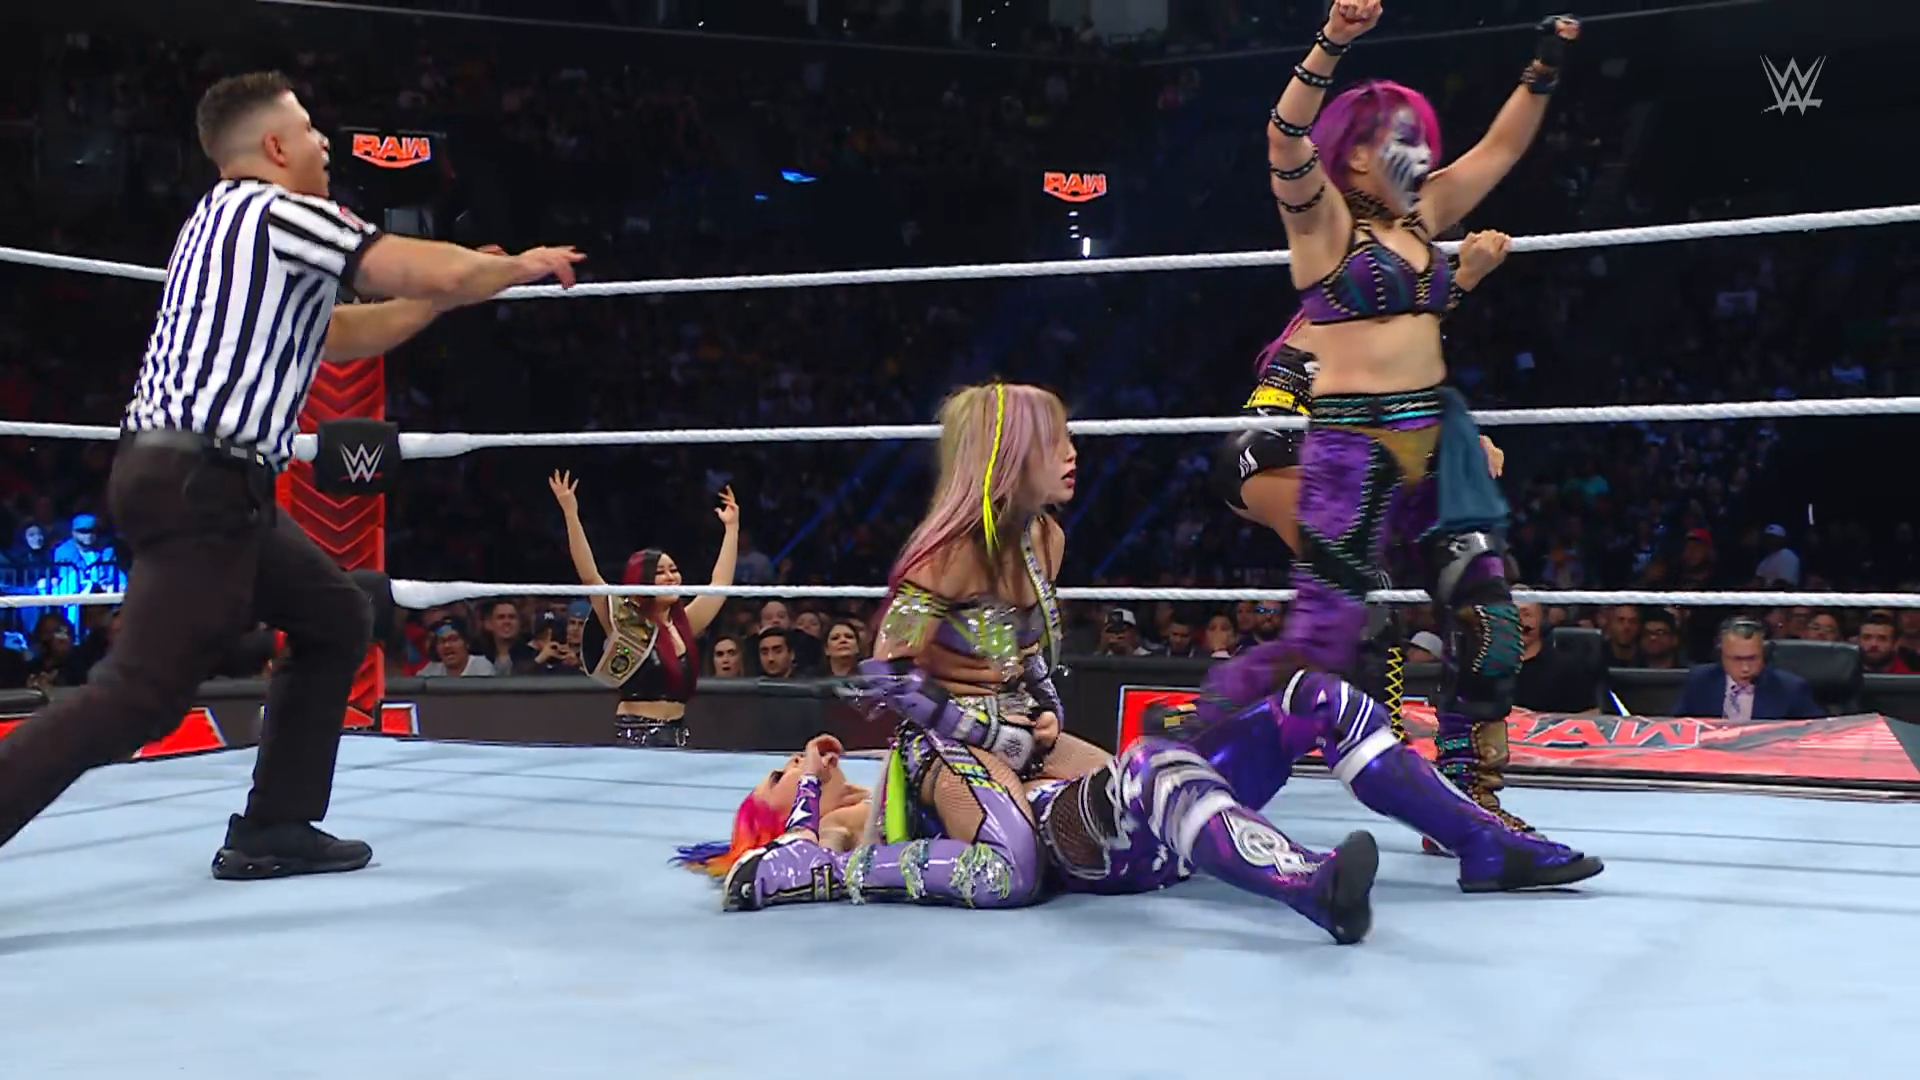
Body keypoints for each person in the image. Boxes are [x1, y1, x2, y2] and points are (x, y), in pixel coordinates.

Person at [0, 70, 583, 873]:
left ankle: (275, 824)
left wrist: (449, 295)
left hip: (205, 482)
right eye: (309, 129)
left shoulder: (218, 221)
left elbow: (340, 336)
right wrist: (518, 265)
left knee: (335, 615)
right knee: (139, 696)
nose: (323, 144)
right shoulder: (283, 213)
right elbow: (421, 268)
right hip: (202, 483)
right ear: (275, 146)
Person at [689, 383, 1381, 944]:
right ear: (1012, 455)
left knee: (1147, 791)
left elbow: (1022, 652)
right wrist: (992, 733)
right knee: (1010, 869)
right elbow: (886, 675)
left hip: (1019, 730)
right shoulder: (948, 552)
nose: (1073, 454)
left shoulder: (1046, 538)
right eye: (1056, 443)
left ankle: (1305, 875)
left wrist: (1043, 710)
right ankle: (816, 871)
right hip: (942, 741)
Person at [1171, 0, 1601, 891]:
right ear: (1358, 153)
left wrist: (1546, 61)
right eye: (1401, 136)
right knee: (1329, 646)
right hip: (1332, 444)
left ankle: (1475, 811)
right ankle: (1193, 765)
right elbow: (1284, 135)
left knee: (1489, 618)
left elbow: (1502, 149)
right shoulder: (1322, 224)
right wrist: (1333, 41)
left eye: (1422, 136)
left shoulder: (1426, 217)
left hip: (1424, 439)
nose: (1421, 150)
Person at [1209, 229, 1514, 742]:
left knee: (1458, 572)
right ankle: (1375, 740)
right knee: (1370, 592)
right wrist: (1467, 274)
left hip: (1329, 453)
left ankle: (1455, 740)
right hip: (1274, 448)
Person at [549, 471, 739, 747]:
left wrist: (732, 528)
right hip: (637, 734)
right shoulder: (624, 622)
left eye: (674, 570)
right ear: (642, 580)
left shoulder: (683, 623)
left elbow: (720, 584)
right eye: (660, 572)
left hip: (678, 733)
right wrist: (570, 513)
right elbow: (590, 577)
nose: (671, 577)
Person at [1672, 617, 1822, 720]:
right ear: (1721, 655)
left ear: (1764, 654)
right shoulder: (1701, 681)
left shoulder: (1790, 688)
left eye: (1752, 658)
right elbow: (1679, 728)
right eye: (1736, 659)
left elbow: (1816, 733)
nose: (1745, 668)